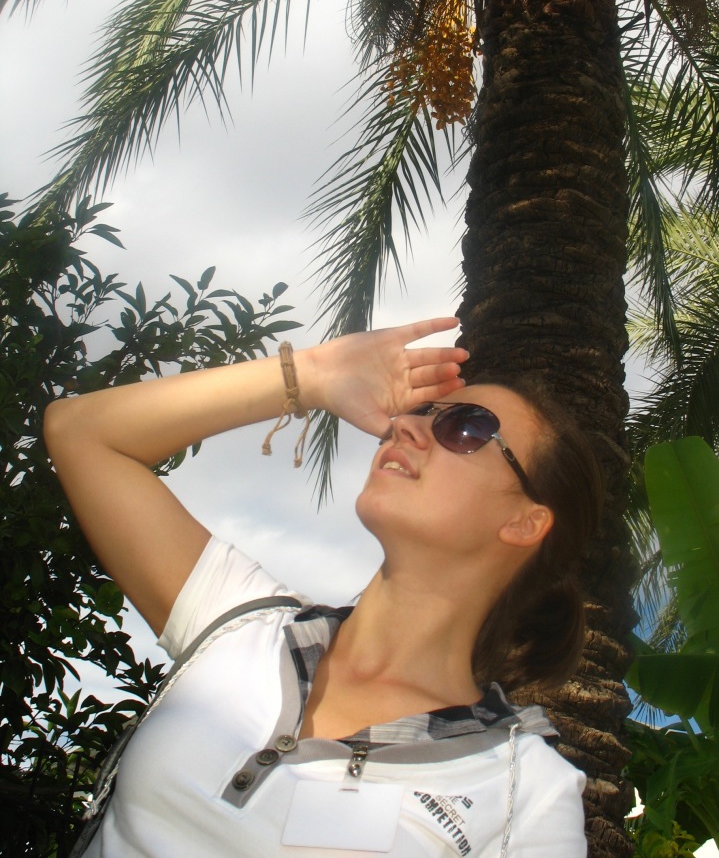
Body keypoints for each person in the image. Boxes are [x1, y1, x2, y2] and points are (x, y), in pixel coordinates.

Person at [44, 316, 602, 858]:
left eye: (466, 427)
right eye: (419, 411)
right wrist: (312, 375)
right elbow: (81, 431)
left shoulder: (526, 793)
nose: (407, 427)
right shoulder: (240, 620)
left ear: (525, 523)